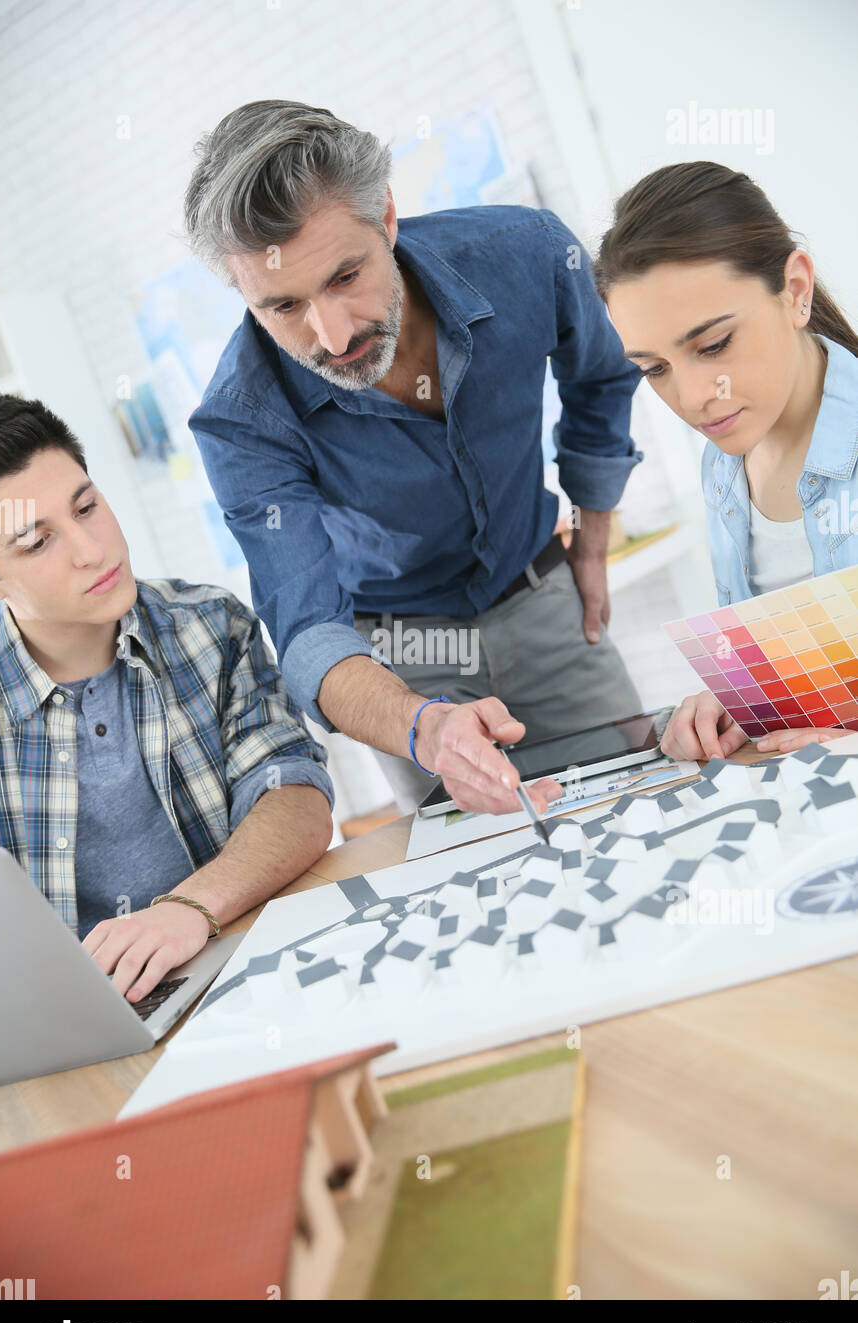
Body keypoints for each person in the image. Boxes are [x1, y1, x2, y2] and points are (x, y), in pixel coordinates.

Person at [183, 98, 645, 817]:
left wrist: (593, 534)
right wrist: (423, 728)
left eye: (344, 277)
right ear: (240, 292)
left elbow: (604, 374)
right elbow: (308, 630)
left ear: (387, 217)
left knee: (642, 803)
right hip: (402, 654)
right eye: (283, 307)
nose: (332, 336)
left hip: (543, 594)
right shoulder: (242, 420)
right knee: (478, 880)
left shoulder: (526, 253)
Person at [0, 395, 334, 1003]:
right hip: (79, 1028)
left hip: (249, 964)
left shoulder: (212, 624)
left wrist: (188, 910)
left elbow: (296, 798)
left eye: (87, 508)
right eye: (37, 542)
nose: (91, 550)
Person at [594, 160, 858, 763]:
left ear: (795, 290)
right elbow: (805, 687)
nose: (690, 399)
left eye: (713, 345)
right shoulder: (724, 471)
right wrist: (732, 701)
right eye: (654, 369)